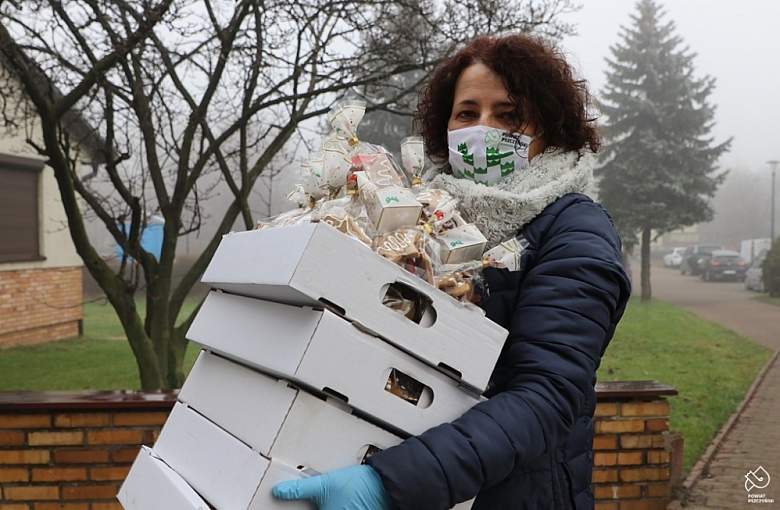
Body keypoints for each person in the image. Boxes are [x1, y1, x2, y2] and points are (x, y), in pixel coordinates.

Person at [273, 33, 632, 510]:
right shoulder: (424, 214)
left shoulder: (575, 231)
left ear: (548, 128)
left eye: (508, 115)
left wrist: (388, 485)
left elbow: (547, 398)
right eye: (467, 113)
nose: (483, 128)